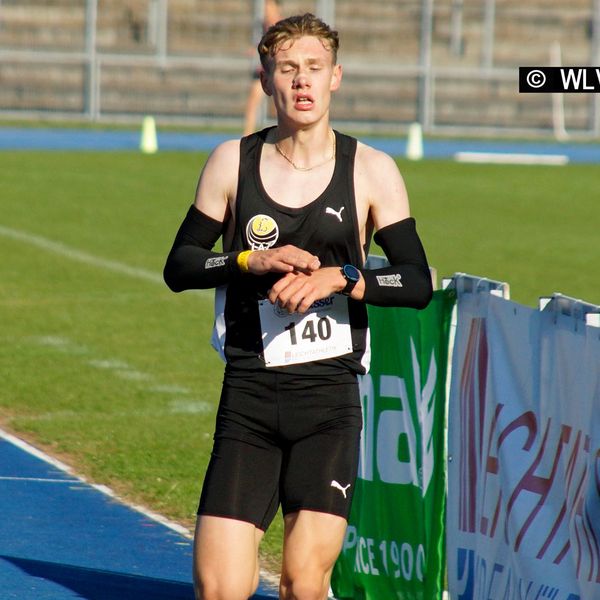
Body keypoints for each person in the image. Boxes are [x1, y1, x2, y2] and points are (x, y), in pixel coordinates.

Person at [163, 13, 433, 600]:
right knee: (219, 589)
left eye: (314, 68)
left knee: (303, 584)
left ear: (336, 77)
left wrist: (344, 276)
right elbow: (179, 265)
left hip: (328, 403)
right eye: (288, 69)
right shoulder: (231, 162)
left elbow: (417, 281)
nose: (302, 82)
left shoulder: (371, 170)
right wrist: (245, 261)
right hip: (250, 398)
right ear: (266, 81)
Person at [243, 0, 283, 136]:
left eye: (269, 6)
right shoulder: (262, 26)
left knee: (281, 105)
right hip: (263, 70)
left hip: (277, 71)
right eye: (265, 6)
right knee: (252, 102)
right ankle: (247, 135)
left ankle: (284, 134)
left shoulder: (282, 27)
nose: (266, 10)